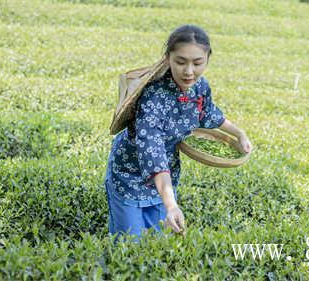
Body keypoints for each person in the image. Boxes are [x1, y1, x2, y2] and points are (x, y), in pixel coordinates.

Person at [104, 24, 252, 243]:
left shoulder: (200, 87)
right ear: (168, 58)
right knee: (129, 242)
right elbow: (152, 151)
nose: (189, 71)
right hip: (131, 173)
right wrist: (172, 205)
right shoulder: (153, 97)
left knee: (155, 239)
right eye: (180, 62)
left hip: (166, 177)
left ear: (208, 59)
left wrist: (239, 133)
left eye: (198, 63)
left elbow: (208, 113)